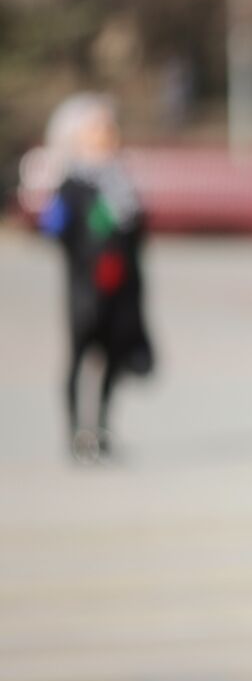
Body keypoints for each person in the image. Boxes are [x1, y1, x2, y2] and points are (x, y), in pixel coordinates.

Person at [38, 93, 155, 462]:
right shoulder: (72, 183)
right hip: (85, 285)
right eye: (98, 127)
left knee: (114, 356)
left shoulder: (122, 180)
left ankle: (101, 428)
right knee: (79, 355)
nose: (108, 133)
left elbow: (138, 233)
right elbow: (54, 229)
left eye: (109, 126)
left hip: (122, 285)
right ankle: (76, 432)